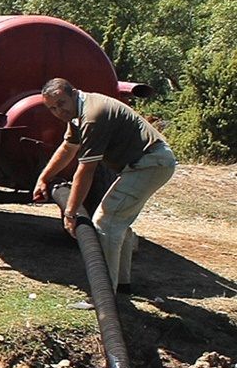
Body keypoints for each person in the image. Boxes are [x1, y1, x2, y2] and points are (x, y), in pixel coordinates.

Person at [33, 77, 176, 294]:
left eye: (61, 103)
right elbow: (68, 148)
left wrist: (70, 213)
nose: (58, 111)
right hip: (146, 163)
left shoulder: (92, 115)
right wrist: (43, 178)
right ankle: (123, 285)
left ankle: (105, 294)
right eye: (52, 108)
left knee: (105, 221)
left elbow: (86, 170)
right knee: (118, 220)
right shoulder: (78, 114)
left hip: (150, 163)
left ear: (73, 93)